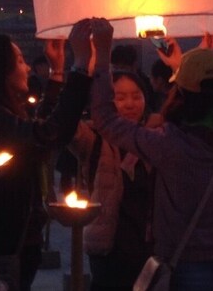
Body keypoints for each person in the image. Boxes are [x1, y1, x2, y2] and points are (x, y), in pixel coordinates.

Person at [91, 14, 213, 291]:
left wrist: (100, 57)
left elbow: (107, 121)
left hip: (186, 263)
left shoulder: (168, 145)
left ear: (179, 90)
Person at [0, 23, 91, 290]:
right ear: (0, 71)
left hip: (14, 238)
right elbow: (50, 134)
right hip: (0, 244)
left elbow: (37, 130)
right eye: (19, 60)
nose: (28, 67)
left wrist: (57, 73)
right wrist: (81, 67)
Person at [67, 68, 160, 291]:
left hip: (153, 251)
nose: (130, 104)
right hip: (110, 252)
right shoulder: (95, 139)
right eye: (120, 97)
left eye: (137, 96)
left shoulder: (157, 138)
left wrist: (179, 67)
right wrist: (73, 71)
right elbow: (63, 125)